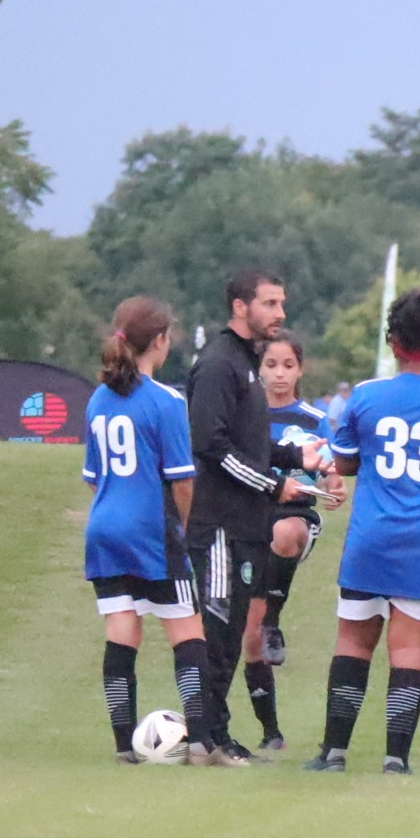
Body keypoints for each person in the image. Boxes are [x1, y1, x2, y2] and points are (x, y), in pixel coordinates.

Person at [305, 288, 420, 775]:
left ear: (393, 341)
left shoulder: (366, 396)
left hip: (371, 538)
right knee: (410, 648)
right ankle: (396, 759)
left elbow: (344, 462)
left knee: (353, 641)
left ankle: (333, 753)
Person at [187, 268, 328, 765]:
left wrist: (295, 459)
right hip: (221, 527)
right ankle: (206, 737)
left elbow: (251, 443)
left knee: (230, 635)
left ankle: (212, 736)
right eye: (270, 303)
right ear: (241, 307)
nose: (280, 313)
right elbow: (212, 448)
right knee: (219, 632)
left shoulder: (247, 365)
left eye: (281, 303)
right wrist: (275, 484)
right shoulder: (218, 365)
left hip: (249, 527)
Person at [83, 297, 213, 765]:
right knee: (186, 630)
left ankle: (123, 747)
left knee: (122, 629)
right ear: (160, 340)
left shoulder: (98, 399)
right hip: (150, 530)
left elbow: (96, 477)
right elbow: (181, 480)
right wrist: (185, 527)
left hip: (103, 528)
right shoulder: (166, 400)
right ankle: (200, 741)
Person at [241, 333, 347, 753]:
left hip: (296, 516)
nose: (279, 374)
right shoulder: (244, 418)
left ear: (300, 370)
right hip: (250, 521)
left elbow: (332, 477)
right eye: (271, 365)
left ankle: (275, 621)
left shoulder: (313, 419)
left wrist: (336, 489)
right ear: (258, 369)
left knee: (286, 533)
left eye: (287, 365)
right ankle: (271, 734)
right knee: (248, 638)